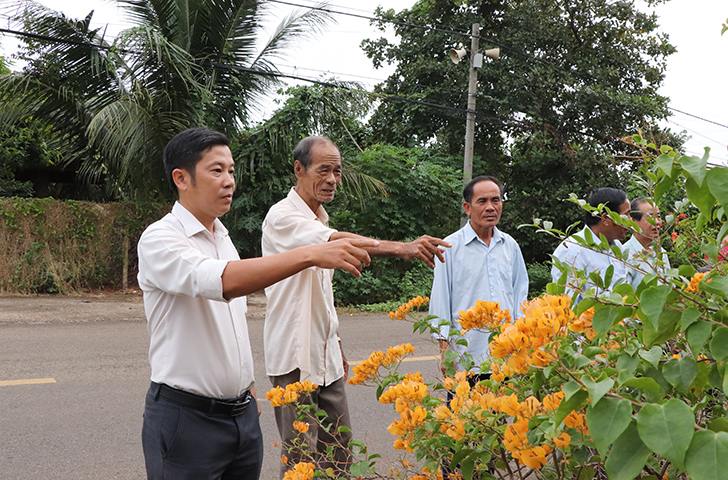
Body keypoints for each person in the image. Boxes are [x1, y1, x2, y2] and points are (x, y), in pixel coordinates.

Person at [138, 128, 376, 480]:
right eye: (216, 171)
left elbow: (229, 324)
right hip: (187, 418)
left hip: (241, 415)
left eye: (231, 171)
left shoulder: (223, 239)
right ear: (181, 178)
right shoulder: (160, 238)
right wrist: (310, 254)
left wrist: (246, 387)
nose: (229, 181)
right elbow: (223, 282)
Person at [261, 136, 450, 477]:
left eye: (337, 171)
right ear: (299, 169)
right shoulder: (282, 216)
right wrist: (402, 247)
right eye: (324, 170)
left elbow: (321, 296)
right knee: (302, 460)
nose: (333, 179)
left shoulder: (320, 216)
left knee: (339, 454)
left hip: (327, 358)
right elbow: (336, 240)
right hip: (294, 357)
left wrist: (336, 342)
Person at [428, 175, 529, 378]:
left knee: (506, 410)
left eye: (496, 200)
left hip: (508, 357)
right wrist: (445, 353)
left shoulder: (510, 246)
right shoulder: (449, 248)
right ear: (467, 207)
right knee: (464, 410)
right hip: (467, 359)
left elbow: (520, 296)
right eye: (482, 201)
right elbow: (440, 303)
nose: (490, 207)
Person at [551, 187, 631, 304]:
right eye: (626, 215)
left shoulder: (617, 247)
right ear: (605, 219)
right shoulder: (571, 251)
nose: (630, 221)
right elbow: (568, 305)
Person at [623, 197, 671, 289]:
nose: (657, 222)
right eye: (650, 217)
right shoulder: (625, 255)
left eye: (658, 217)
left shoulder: (662, 253)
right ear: (633, 221)